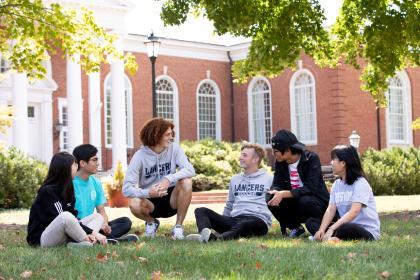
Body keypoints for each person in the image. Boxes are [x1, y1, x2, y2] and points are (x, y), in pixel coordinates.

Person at [123, 118, 195, 240]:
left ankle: (178, 228)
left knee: (187, 181)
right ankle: (151, 223)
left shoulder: (174, 149)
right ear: (156, 135)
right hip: (150, 202)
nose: (171, 137)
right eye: (167, 134)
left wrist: (168, 178)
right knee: (133, 202)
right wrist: (148, 193)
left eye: (172, 134)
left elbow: (190, 170)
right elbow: (126, 189)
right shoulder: (139, 156)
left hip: (172, 198)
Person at [186, 143, 273, 243]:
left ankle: (216, 240)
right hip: (235, 220)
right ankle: (204, 235)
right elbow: (230, 204)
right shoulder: (235, 179)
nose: (240, 157)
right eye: (241, 154)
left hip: (258, 221)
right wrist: (223, 221)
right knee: (201, 211)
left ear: (255, 159)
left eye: (244, 155)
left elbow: (276, 203)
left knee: (243, 225)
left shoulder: (269, 179)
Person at [27, 152, 107, 247]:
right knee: (65, 216)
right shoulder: (47, 191)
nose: (77, 166)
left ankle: (76, 244)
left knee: (98, 217)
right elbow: (62, 218)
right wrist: (93, 233)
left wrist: (90, 232)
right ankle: (86, 240)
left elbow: (74, 219)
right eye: (74, 164)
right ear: (65, 168)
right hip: (42, 239)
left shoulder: (68, 189)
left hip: (63, 234)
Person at [306, 145, 380, 242]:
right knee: (311, 222)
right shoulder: (336, 184)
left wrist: (331, 229)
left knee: (345, 227)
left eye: (334, 159)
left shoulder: (360, 183)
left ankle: (331, 237)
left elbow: (354, 212)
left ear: (343, 163)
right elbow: (331, 209)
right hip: (343, 225)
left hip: (365, 231)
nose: (331, 163)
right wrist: (321, 230)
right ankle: (327, 237)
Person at [267, 129, 330, 237]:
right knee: (270, 197)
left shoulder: (311, 158)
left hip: (315, 202)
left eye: (275, 151)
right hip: (294, 202)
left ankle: (317, 228)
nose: (273, 154)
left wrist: (284, 194)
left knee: (305, 200)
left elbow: (311, 188)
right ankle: (296, 227)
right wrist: (275, 191)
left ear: (287, 151)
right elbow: (277, 182)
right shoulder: (280, 162)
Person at [72, 144, 138, 243]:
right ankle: (103, 239)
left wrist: (104, 225)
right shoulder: (70, 184)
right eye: (94, 160)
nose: (98, 163)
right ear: (82, 163)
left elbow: (101, 210)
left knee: (125, 221)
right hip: (76, 226)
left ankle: (100, 238)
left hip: (94, 225)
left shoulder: (96, 183)